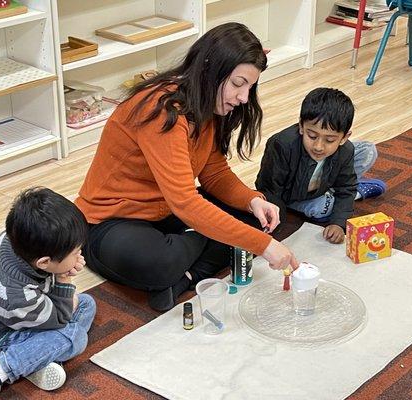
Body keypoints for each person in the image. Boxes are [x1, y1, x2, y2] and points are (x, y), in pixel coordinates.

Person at [75, 22, 298, 312]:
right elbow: (185, 202)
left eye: (250, 87)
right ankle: (192, 252)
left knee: (262, 214)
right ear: (210, 70)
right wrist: (263, 246)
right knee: (162, 262)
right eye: (238, 84)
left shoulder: (209, 106)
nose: (244, 98)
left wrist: (251, 200)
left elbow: (214, 172)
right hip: (110, 221)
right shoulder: (161, 110)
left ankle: (185, 278)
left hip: (166, 211)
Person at [0, 187, 96, 400]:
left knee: (87, 303)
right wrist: (64, 279)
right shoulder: (15, 296)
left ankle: (34, 359)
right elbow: (60, 319)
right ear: (44, 262)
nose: (80, 254)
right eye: (75, 252)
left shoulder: (17, 239)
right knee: (74, 337)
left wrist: (61, 279)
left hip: (4, 316)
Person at [255, 87, 386, 244]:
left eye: (329, 140)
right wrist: (273, 219)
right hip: (293, 196)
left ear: (344, 137)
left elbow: (345, 188)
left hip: (325, 182)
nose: (318, 146)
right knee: (323, 209)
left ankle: (346, 190)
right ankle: (354, 193)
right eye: (312, 136)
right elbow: (268, 190)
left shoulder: (346, 149)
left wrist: (338, 224)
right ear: (301, 126)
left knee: (368, 150)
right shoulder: (282, 144)